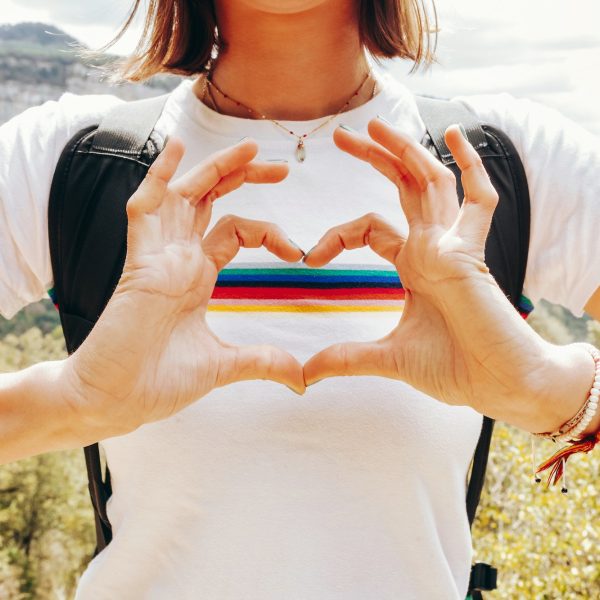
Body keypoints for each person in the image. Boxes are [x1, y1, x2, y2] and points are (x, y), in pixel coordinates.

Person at [0, 0, 599, 597]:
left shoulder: (497, 164)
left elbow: (555, 390)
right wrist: (73, 402)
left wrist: (552, 390)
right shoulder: (67, 160)